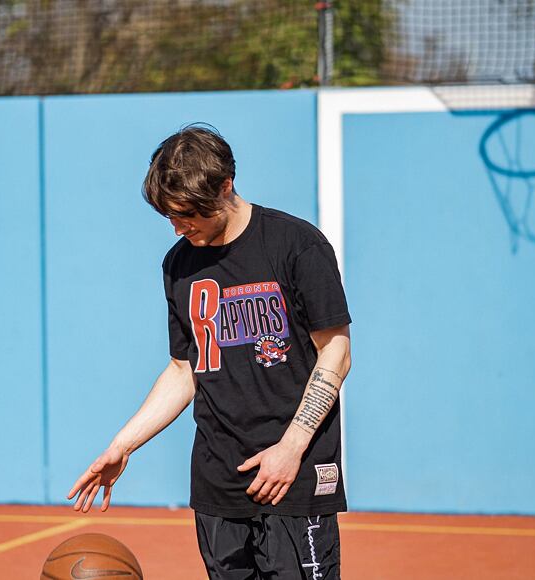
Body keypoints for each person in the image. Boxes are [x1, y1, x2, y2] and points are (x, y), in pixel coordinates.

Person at [68, 125, 352, 579]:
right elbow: (185, 369)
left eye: (188, 214)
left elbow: (336, 352)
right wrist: (123, 445)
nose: (179, 227)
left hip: (292, 477)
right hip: (218, 481)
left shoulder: (297, 245)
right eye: (169, 217)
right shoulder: (179, 264)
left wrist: (291, 447)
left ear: (225, 187)